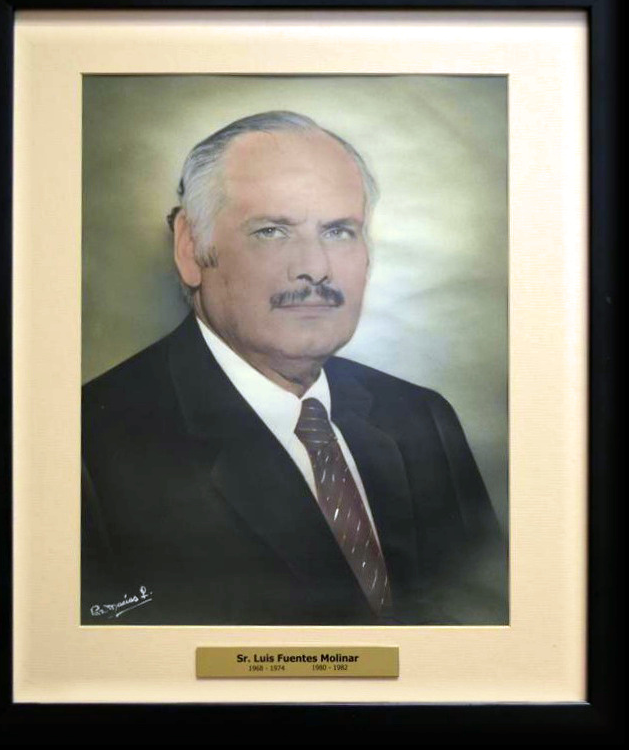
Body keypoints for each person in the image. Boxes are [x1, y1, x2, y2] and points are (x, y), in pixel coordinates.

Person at [82, 111, 507, 626]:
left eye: (339, 231)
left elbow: (484, 624)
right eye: (272, 231)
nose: (315, 267)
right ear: (190, 249)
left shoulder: (423, 418)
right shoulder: (88, 450)